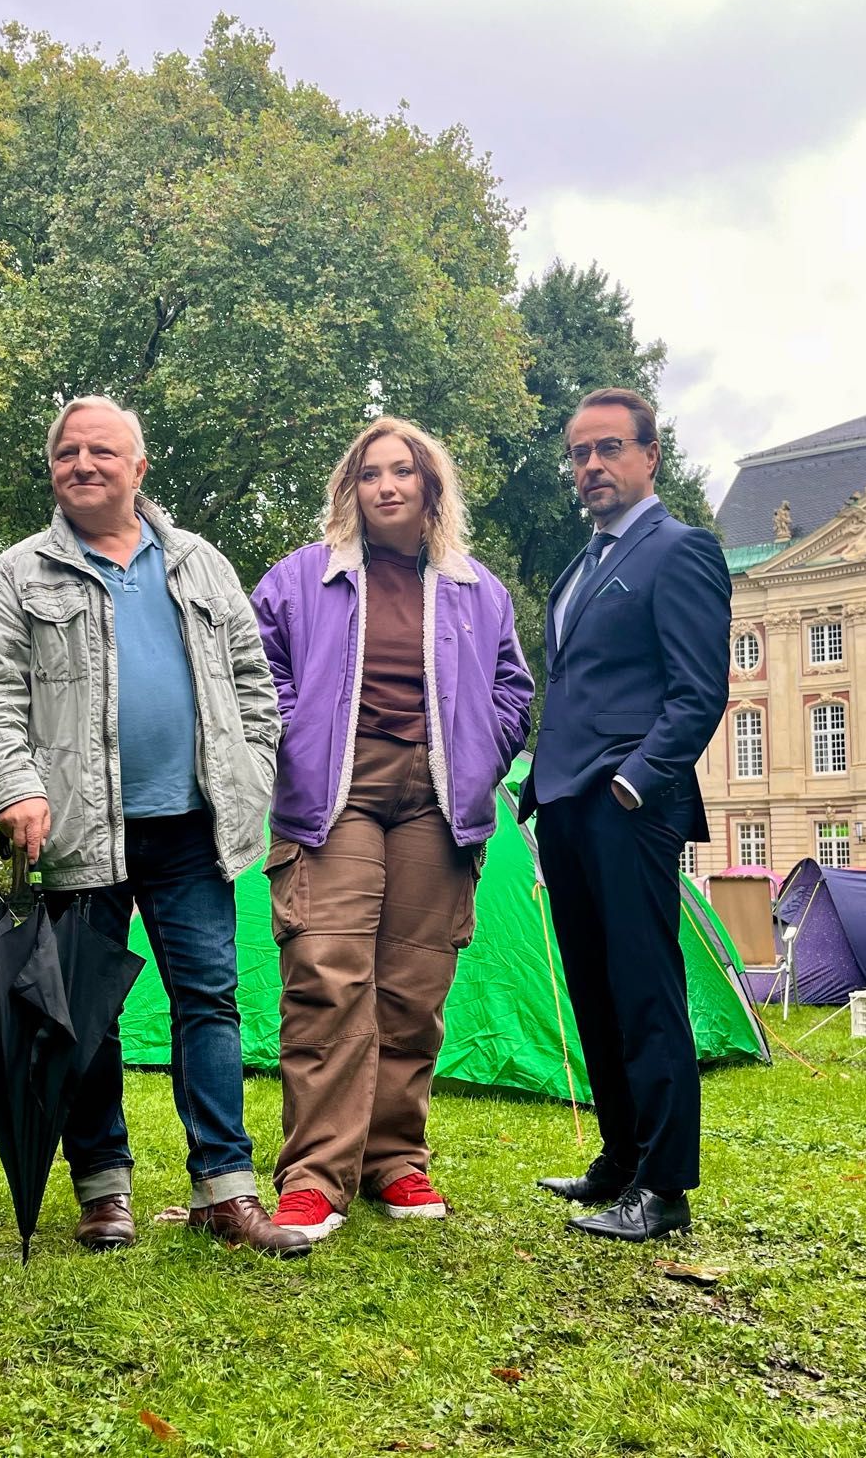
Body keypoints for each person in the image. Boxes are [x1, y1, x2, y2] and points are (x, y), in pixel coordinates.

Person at [0, 395, 308, 1258]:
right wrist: (16, 787)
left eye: (102, 451)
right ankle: (102, 1190)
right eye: (67, 452)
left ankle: (225, 1191)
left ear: (139, 467)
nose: (83, 464)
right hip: (79, 832)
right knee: (85, 1016)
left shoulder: (199, 564)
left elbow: (255, 688)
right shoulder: (18, 574)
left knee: (210, 1001)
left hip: (194, 827)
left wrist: (250, 774)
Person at [251, 417, 533, 1241]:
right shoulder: (303, 578)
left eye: (402, 471)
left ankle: (394, 1162)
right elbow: (257, 672)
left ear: (429, 485)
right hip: (332, 795)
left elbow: (514, 690)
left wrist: (482, 755)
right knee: (328, 976)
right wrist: (297, 737)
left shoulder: (478, 589)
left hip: (439, 803)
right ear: (352, 489)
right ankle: (313, 1178)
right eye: (370, 472)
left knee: (413, 990)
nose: (387, 485)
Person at [519, 388, 731, 1243]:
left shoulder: (680, 551)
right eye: (579, 454)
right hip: (566, 804)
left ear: (649, 456)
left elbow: (698, 690)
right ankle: (619, 1156)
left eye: (609, 449)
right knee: (594, 989)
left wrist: (637, 781)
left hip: (629, 804)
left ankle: (665, 1187)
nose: (591, 467)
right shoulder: (582, 564)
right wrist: (542, 789)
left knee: (645, 990)